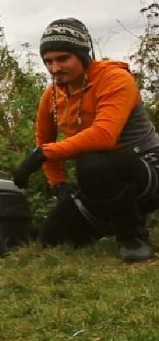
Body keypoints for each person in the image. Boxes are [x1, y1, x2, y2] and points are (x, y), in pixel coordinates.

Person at [13, 17, 159, 262]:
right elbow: (43, 140)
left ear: (82, 55)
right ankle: (114, 217)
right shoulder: (51, 96)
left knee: (93, 162)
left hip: (148, 167)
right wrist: (59, 185)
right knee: (52, 237)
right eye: (48, 61)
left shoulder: (115, 79)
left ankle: (131, 237)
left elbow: (104, 136)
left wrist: (43, 155)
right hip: (104, 182)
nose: (55, 68)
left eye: (63, 59)